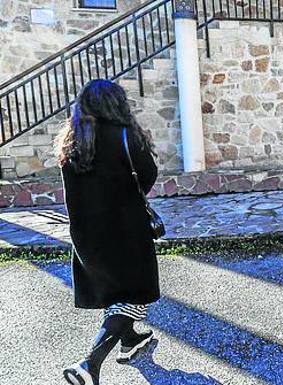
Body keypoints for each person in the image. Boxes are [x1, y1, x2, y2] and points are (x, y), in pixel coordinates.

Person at [55, 79, 160, 385]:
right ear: (117, 103)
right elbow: (148, 175)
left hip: (85, 234)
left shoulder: (71, 142)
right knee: (134, 295)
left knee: (116, 292)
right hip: (125, 230)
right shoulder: (125, 135)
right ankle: (89, 365)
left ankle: (129, 341)